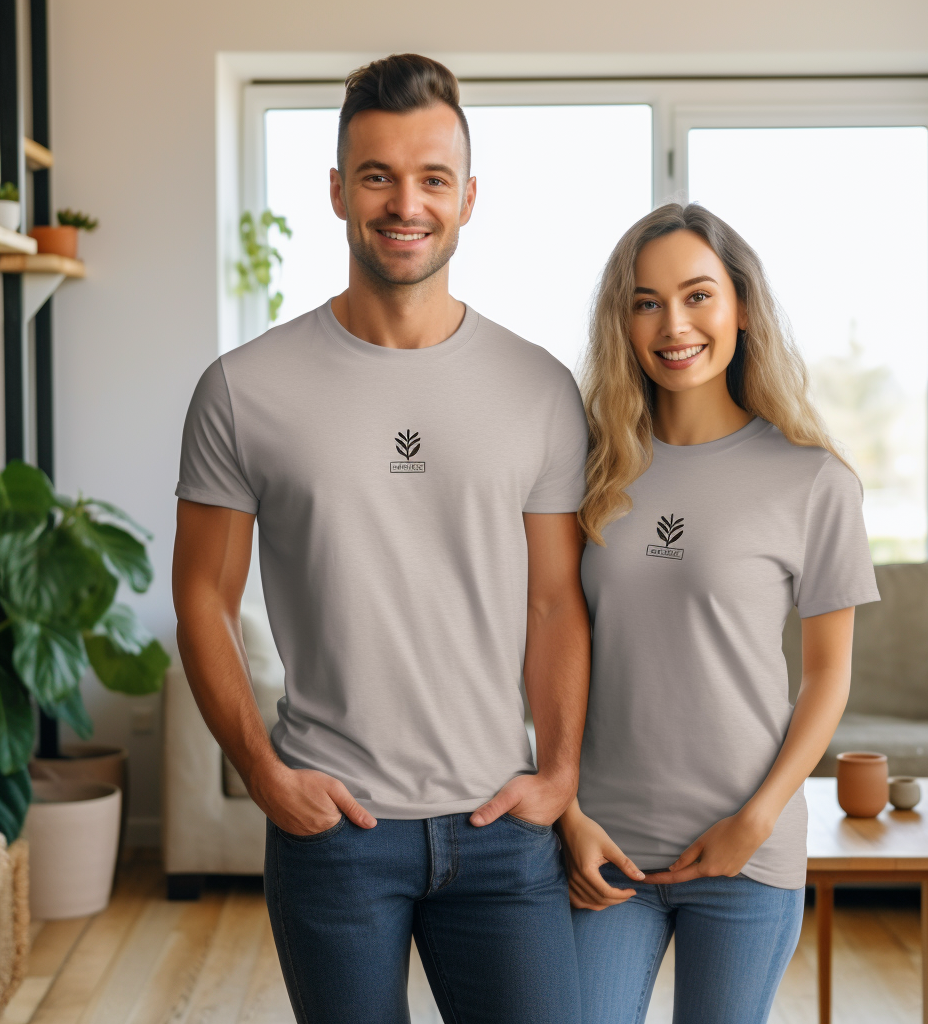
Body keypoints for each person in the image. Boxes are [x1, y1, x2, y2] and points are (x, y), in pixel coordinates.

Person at [172, 54, 589, 1024]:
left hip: (499, 829)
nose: (407, 203)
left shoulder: (537, 388)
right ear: (336, 190)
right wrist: (260, 771)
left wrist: (560, 769)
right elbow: (202, 595)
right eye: (378, 176)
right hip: (334, 833)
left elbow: (553, 598)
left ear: (469, 197)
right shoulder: (244, 388)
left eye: (432, 178)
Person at [558, 203, 880, 1024]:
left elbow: (827, 676)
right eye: (645, 302)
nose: (674, 324)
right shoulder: (586, 470)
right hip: (607, 847)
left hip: (746, 849)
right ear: (622, 323)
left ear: (740, 305)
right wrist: (569, 814)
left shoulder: (814, 481)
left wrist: (758, 817)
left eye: (698, 295)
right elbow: (548, 647)